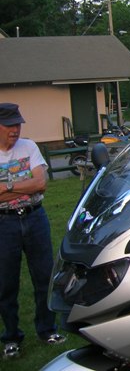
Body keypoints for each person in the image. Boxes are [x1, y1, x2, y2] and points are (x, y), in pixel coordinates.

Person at [0, 103, 66, 360]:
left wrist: (6, 187)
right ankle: (11, 338)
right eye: (9, 125)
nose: (15, 130)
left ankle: (47, 329)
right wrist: (23, 186)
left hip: (35, 218)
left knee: (44, 277)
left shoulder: (29, 147)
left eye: (18, 124)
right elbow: (32, 184)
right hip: (4, 224)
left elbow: (40, 184)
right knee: (6, 282)